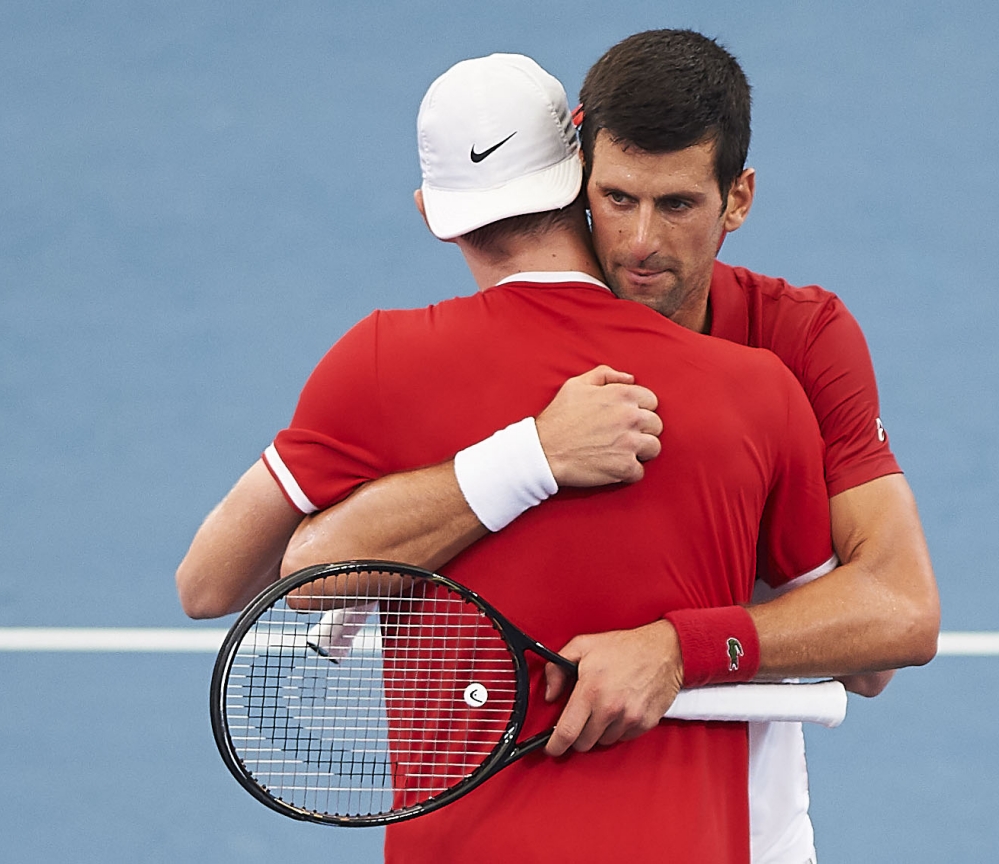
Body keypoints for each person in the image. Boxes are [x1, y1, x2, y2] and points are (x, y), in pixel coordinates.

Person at [277, 30, 940, 863]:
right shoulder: (492, 343)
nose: (637, 243)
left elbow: (897, 621)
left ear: (738, 200)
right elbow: (294, 576)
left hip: (742, 819)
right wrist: (525, 461)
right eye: (617, 198)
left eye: (677, 205)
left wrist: (676, 649)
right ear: (575, 181)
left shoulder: (796, 343)